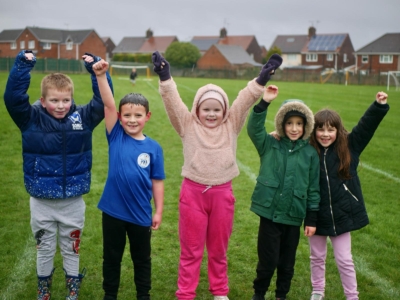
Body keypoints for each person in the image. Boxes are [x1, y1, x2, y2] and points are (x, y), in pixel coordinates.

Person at [152, 50, 283, 300]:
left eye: (216, 109)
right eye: (206, 109)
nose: (211, 114)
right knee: (190, 250)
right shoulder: (187, 124)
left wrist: (261, 79)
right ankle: (186, 292)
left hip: (223, 195)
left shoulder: (231, 125)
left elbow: (244, 100)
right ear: (197, 110)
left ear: (224, 111)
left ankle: (220, 291)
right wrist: (165, 75)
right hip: (192, 195)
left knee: (218, 249)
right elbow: (173, 101)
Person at [3, 50, 113, 299]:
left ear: (72, 98)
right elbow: (13, 99)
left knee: (72, 248)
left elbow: (104, 99)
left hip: (73, 202)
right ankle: (44, 289)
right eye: (54, 100)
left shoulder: (83, 118)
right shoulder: (31, 119)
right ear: (43, 101)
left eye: (65, 100)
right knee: (44, 249)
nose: (60, 106)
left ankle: (72, 289)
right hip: (41, 202)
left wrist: (96, 70)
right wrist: (22, 66)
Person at [92, 59, 165, 300]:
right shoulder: (116, 136)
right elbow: (109, 105)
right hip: (113, 212)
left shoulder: (154, 148)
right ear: (120, 117)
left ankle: (143, 295)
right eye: (127, 115)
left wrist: (158, 211)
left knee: (141, 259)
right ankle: (109, 295)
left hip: (141, 214)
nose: (132, 120)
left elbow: (157, 181)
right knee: (111, 257)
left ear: (147, 116)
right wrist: (101, 76)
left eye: (137, 115)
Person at [307, 92, 390, 300]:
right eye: (320, 129)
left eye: (330, 129)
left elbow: (365, 127)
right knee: (317, 257)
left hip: (343, 215)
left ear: (338, 130)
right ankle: (317, 291)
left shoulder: (349, 147)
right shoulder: (308, 152)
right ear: (314, 130)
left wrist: (378, 106)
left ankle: (352, 296)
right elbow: (289, 136)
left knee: (344, 259)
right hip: (316, 216)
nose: (325, 134)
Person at [247, 87, 321, 300]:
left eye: (299, 123)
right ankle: (258, 294)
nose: (294, 128)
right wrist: (264, 103)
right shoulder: (269, 144)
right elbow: (254, 129)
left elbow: (313, 188)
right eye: (289, 123)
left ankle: (281, 295)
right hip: (269, 214)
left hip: (294, 215)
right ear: (281, 124)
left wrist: (311, 217)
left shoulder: (310, 153)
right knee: (267, 261)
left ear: (305, 125)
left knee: (287, 263)